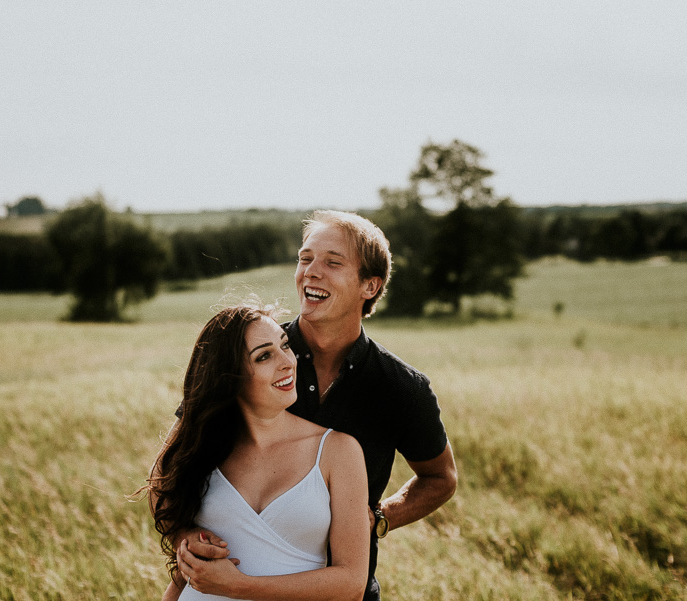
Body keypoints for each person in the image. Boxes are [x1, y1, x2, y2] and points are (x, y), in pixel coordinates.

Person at [176, 210, 458, 601]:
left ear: (370, 286)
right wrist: (184, 534)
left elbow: (441, 478)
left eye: (332, 262)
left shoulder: (401, 389)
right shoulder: (253, 356)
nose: (311, 271)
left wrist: (376, 519)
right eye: (305, 258)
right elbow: (177, 461)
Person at [146, 302, 370, 601]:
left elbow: (351, 584)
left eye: (285, 345)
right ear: (230, 378)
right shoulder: (205, 446)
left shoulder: (337, 451)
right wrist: (182, 537)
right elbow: (159, 486)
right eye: (264, 356)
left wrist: (237, 586)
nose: (288, 362)